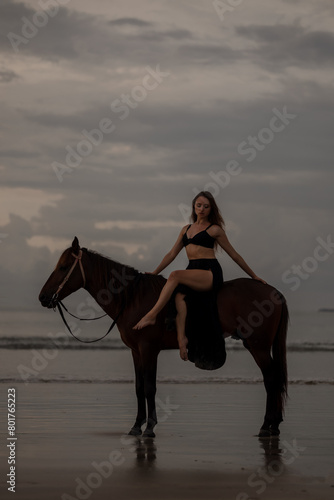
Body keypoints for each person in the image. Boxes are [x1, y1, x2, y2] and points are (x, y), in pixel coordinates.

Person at [133, 191, 266, 364]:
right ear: (194, 207)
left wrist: (254, 275)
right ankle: (182, 341)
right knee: (180, 298)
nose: (201, 209)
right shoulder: (185, 229)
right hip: (192, 271)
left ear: (211, 209)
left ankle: (151, 315)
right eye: (198, 205)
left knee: (174, 275)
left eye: (206, 206)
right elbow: (171, 254)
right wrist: (155, 273)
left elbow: (234, 255)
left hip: (209, 272)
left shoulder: (215, 230)